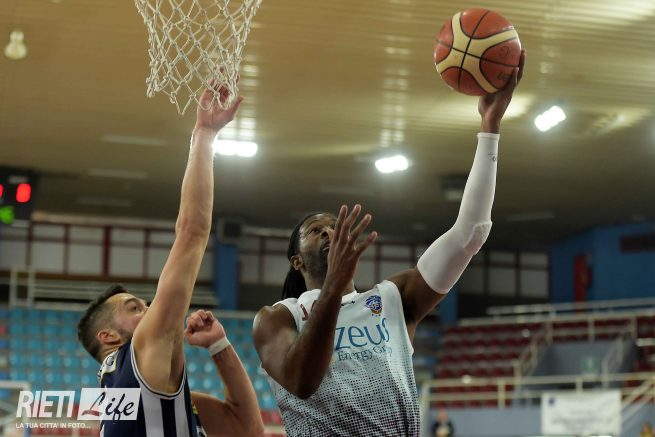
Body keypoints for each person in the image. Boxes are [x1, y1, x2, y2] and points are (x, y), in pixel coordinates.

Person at [253, 51, 526, 436]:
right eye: (316, 230)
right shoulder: (278, 318)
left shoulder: (394, 299)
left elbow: (472, 232)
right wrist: (333, 287)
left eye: (336, 226)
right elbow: (301, 381)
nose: (330, 232)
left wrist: (490, 127)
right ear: (297, 261)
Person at [77, 85, 264, 436]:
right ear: (109, 336)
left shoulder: (123, 400)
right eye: (135, 308)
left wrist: (219, 346)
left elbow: (245, 429)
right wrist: (204, 134)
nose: (151, 310)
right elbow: (191, 232)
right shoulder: (137, 362)